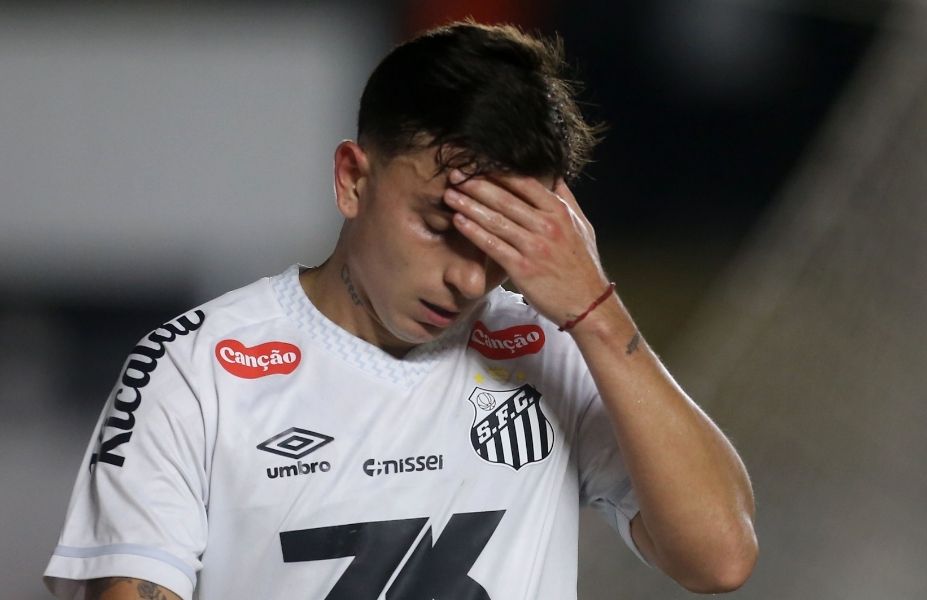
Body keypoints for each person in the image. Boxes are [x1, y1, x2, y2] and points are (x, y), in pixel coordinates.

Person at [44, 20, 757, 600]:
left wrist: (597, 312)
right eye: (440, 226)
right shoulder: (196, 368)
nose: (467, 278)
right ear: (353, 179)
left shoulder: (552, 350)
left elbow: (720, 559)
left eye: (499, 242)